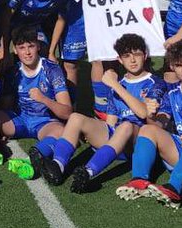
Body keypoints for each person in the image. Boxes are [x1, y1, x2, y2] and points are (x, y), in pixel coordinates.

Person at [47, 34, 166, 193]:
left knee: (126, 126)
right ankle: (58, 165)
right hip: (117, 141)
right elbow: (110, 123)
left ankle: (88, 172)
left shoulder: (155, 82)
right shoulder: (120, 83)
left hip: (140, 142)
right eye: (126, 56)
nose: (132, 60)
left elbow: (143, 112)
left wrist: (115, 86)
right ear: (119, 59)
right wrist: (94, 131)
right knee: (76, 118)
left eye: (137, 54)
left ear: (145, 55)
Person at [117, 41, 182, 208]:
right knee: (148, 129)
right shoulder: (171, 89)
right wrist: (152, 112)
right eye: (179, 65)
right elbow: (161, 121)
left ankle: (174, 188)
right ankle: (139, 181)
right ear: (172, 66)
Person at [0, 25, 73, 176]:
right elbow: (5, 105)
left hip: (45, 122)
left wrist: (44, 99)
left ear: (38, 46)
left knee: (62, 132)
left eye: (31, 46)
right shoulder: (13, 71)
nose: (27, 52)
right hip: (20, 120)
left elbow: (67, 112)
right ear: (15, 50)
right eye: (21, 48)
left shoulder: (52, 70)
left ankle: (34, 157)